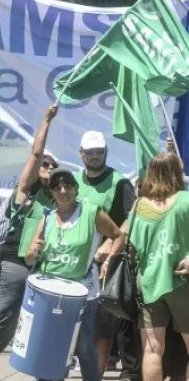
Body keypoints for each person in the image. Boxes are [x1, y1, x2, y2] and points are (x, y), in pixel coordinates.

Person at [0, 105, 57, 381]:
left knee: (42, 318)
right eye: (44, 164)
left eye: (52, 165)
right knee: (7, 314)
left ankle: (38, 369)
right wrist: (46, 121)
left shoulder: (60, 200)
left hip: (45, 264)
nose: (47, 167)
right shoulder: (24, 191)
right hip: (15, 260)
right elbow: (36, 153)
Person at [26, 169, 125, 381]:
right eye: (57, 187)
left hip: (83, 291)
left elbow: (118, 235)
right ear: (51, 192)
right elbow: (28, 259)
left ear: (76, 188)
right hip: (50, 291)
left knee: (82, 345)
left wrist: (108, 260)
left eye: (68, 186)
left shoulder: (91, 212)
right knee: (49, 344)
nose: (63, 191)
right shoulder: (46, 218)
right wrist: (33, 250)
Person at [73, 131, 140, 380]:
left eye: (99, 152)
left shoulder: (119, 182)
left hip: (103, 265)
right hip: (73, 263)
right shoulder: (72, 181)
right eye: (90, 152)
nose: (95, 156)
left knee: (100, 327)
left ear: (106, 152)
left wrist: (111, 245)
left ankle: (95, 375)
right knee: (72, 323)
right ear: (82, 153)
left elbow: (130, 219)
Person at [118, 152, 189, 381]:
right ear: (176, 173)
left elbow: (132, 246)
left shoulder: (139, 206)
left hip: (148, 286)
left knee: (152, 349)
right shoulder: (186, 200)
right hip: (181, 282)